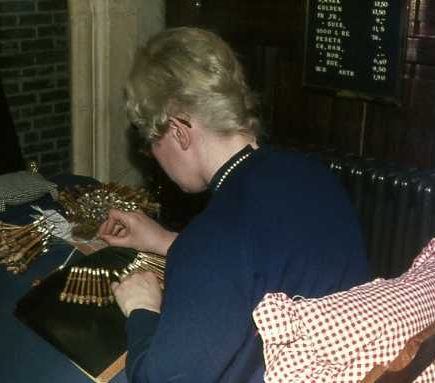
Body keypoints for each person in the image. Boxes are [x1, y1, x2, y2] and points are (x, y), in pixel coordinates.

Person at [97, 27, 370, 383]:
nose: (153, 155)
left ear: (179, 131)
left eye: (152, 140)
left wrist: (142, 309)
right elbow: (264, 259)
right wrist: (166, 241)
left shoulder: (215, 238)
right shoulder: (313, 175)